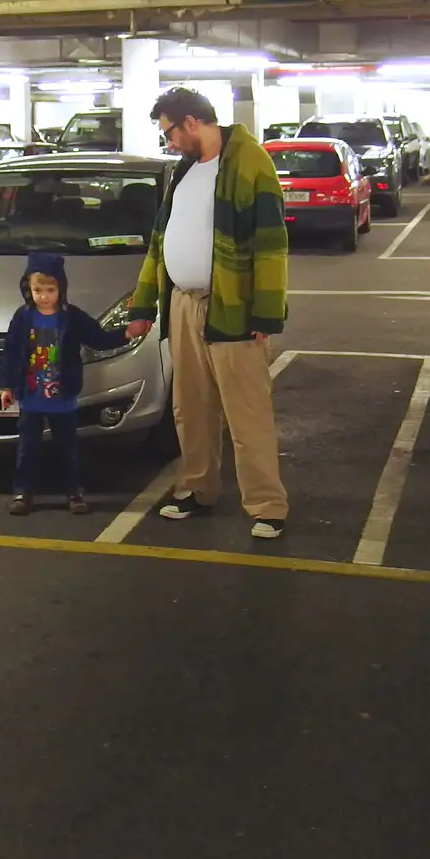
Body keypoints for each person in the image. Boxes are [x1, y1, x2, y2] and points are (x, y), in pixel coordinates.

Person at [125, 87, 291, 540]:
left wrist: (266, 314)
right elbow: (159, 244)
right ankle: (196, 490)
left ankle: (266, 505)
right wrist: (143, 306)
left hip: (232, 308)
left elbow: (272, 244)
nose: (169, 143)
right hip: (181, 303)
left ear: (191, 122)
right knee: (190, 408)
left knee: (246, 412)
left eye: (170, 133)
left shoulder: (249, 163)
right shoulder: (184, 172)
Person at [0, 252, 128, 516]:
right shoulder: (22, 318)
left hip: (63, 398)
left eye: (50, 289)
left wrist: (125, 334)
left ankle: (74, 491)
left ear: (61, 288)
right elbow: (11, 353)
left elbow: (98, 338)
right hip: (31, 398)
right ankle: (23, 492)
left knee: (67, 449)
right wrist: (7, 387)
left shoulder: (71, 318)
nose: (43, 296)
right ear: (27, 289)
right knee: (28, 448)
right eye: (37, 290)